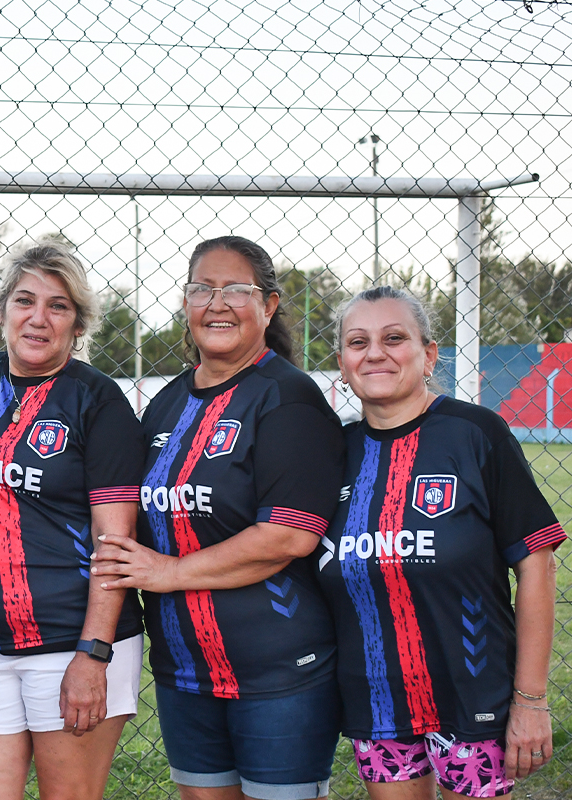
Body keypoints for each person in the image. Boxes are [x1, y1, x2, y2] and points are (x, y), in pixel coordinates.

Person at [93, 235, 345, 800]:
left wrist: (170, 573)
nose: (217, 303)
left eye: (236, 289)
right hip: (186, 672)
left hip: (279, 672)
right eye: (202, 289)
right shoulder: (165, 405)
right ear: (186, 304)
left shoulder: (288, 399)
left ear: (270, 305)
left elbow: (289, 536)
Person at [0, 239, 146, 800]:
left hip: (75, 644)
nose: (38, 318)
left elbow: (114, 542)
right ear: (1, 314)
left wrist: (94, 654)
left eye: (58, 306)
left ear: (77, 324)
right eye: (24, 300)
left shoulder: (96, 400)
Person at [315, 285, 563, 800]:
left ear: (429, 354)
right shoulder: (331, 452)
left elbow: (537, 566)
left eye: (394, 337)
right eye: (358, 342)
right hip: (377, 699)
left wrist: (530, 701)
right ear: (342, 362)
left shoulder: (475, 434)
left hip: (475, 695)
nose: (375, 352)